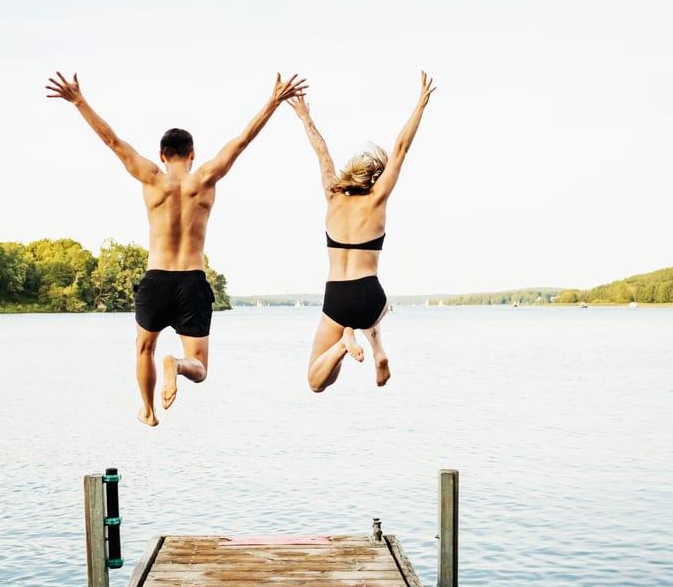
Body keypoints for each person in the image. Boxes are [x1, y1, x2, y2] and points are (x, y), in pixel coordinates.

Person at [46, 71, 307, 426]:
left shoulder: (152, 176)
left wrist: (79, 101)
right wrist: (273, 102)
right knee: (199, 367)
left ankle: (149, 410)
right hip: (192, 280)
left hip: (156, 279)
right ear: (193, 154)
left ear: (162, 154)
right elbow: (242, 141)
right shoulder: (206, 177)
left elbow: (111, 140)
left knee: (144, 348)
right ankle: (178, 365)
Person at [287, 72, 436, 393]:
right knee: (381, 309)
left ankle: (343, 345)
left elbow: (322, 152)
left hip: (337, 296)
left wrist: (304, 117)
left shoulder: (332, 195)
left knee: (317, 381)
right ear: (374, 179)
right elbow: (400, 148)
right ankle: (378, 349)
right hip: (372, 295)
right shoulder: (377, 199)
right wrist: (420, 104)